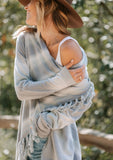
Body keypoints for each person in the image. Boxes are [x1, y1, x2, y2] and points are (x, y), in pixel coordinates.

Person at [13, 0, 95, 160]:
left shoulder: (69, 49)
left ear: (45, 4)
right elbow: (21, 90)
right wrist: (61, 81)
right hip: (28, 143)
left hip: (60, 146)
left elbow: (83, 99)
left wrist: (44, 122)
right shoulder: (24, 40)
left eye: (31, 1)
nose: (26, 6)